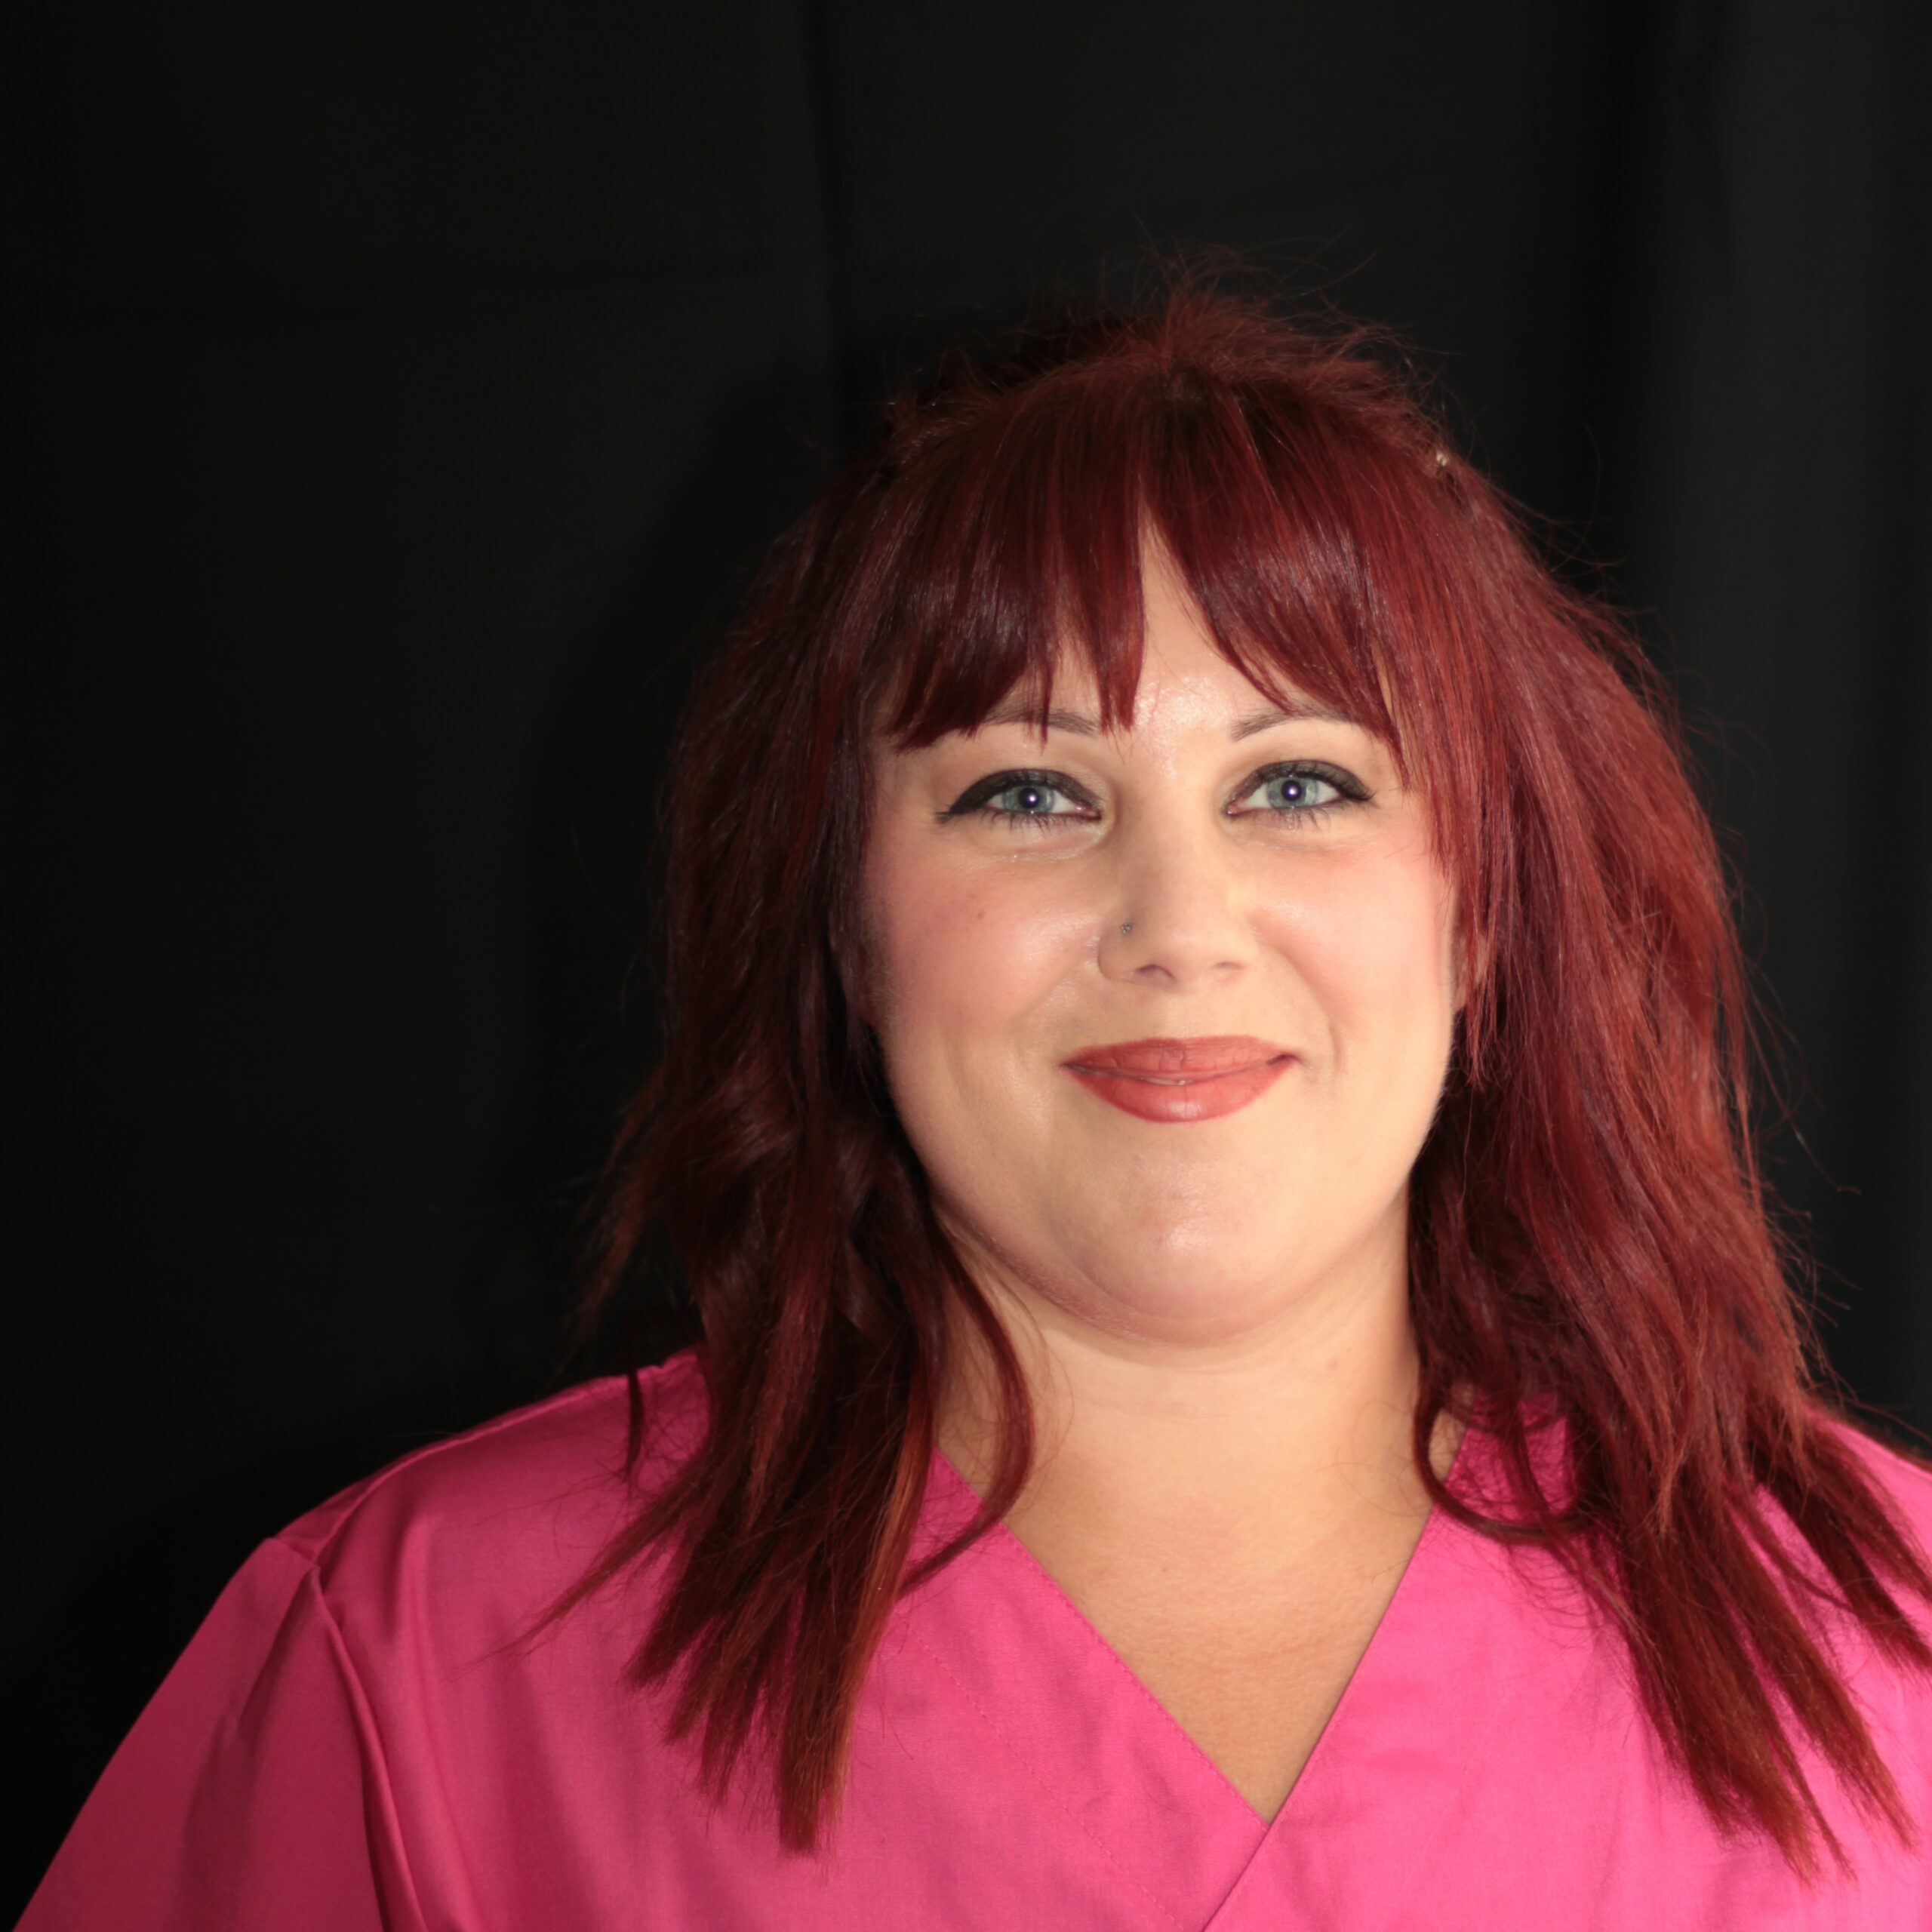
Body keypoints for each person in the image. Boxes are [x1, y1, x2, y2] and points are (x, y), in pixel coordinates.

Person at [23, 285, 1932, 1930]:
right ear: (842, 927)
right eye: (1027, 792)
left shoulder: (1894, 1646)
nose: (1176, 926)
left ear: (1484, 913)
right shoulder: (415, 1664)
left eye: (1297, 784)